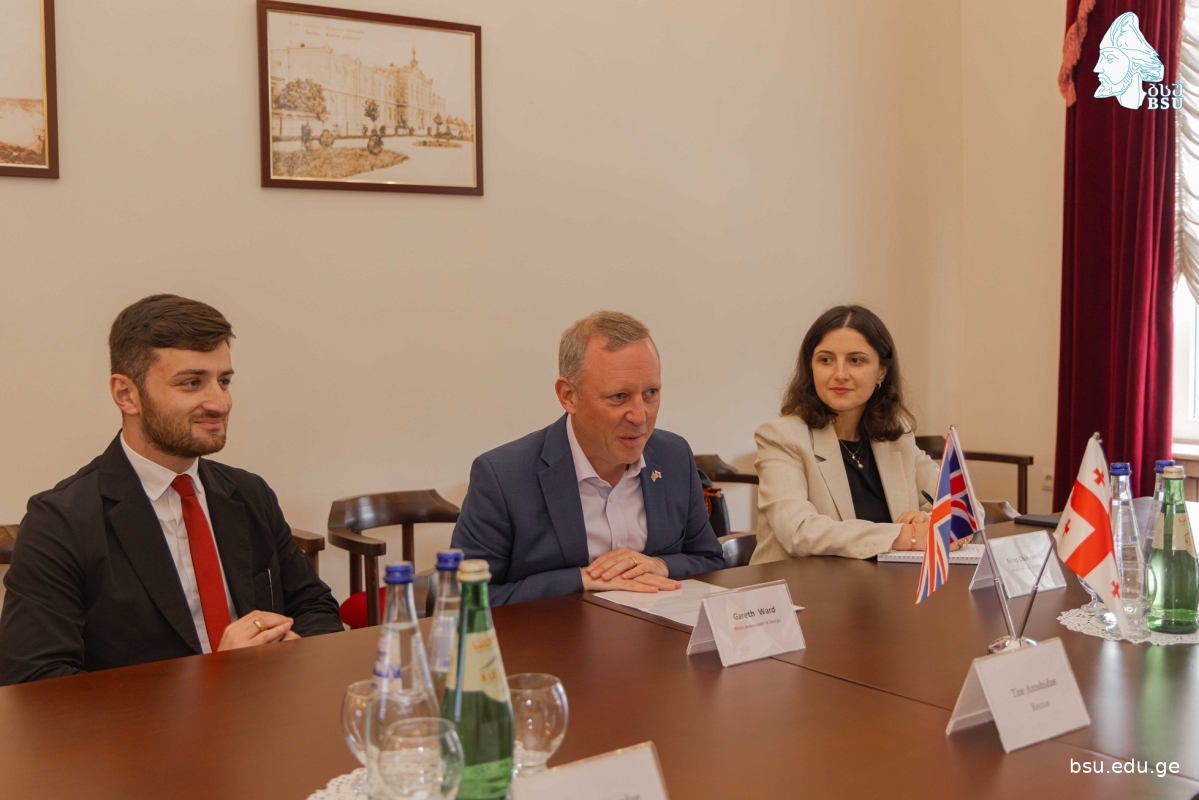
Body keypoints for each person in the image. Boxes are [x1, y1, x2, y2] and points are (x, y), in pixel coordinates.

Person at [0, 295, 342, 684]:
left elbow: (315, 608)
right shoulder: (60, 522)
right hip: (143, 724)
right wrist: (212, 678)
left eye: (224, 381)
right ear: (126, 395)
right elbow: (35, 682)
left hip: (265, 708)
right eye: (192, 383)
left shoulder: (249, 493)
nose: (220, 403)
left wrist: (295, 647)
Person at [451, 311, 725, 605]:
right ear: (568, 395)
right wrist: (582, 579)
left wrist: (661, 565)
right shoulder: (503, 477)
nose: (639, 416)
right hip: (555, 633)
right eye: (618, 396)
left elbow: (709, 559)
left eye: (651, 392)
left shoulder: (673, 456)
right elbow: (463, 599)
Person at [750, 304, 972, 564]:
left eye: (856, 360)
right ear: (811, 368)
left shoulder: (896, 435)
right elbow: (798, 532)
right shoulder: (781, 436)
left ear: (881, 372)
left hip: (884, 584)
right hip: (799, 585)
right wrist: (908, 535)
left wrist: (931, 520)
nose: (839, 374)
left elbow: (965, 509)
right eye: (825, 360)